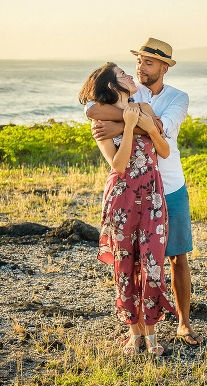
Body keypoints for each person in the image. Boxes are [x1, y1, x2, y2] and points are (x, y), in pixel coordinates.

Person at [86, 38, 204, 347]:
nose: (140, 67)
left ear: (164, 68)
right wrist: (124, 122)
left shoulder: (179, 97)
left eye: (148, 62)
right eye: (139, 61)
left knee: (178, 257)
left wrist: (119, 127)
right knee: (133, 262)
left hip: (170, 187)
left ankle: (183, 324)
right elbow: (91, 107)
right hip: (133, 193)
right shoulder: (131, 91)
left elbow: (161, 128)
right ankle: (138, 329)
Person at [78, 62, 177, 356]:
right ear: (112, 85)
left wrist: (143, 124)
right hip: (122, 198)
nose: (131, 76)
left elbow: (164, 150)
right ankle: (135, 334)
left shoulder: (144, 107)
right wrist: (131, 127)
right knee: (125, 266)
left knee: (153, 265)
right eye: (123, 75)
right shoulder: (100, 124)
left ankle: (151, 333)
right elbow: (118, 165)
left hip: (153, 197)